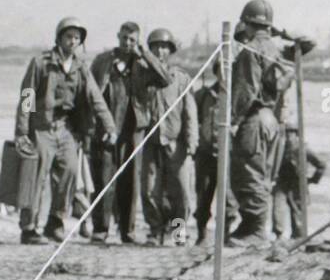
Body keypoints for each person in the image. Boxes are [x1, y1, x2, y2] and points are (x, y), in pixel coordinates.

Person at [15, 16, 115, 244]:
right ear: (59, 38)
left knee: (68, 174)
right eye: (69, 36)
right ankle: (29, 228)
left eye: (77, 38)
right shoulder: (41, 63)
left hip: (67, 129)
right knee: (36, 178)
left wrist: (110, 126)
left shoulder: (81, 68)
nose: (72, 41)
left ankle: (55, 222)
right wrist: (22, 132)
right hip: (41, 128)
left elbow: (95, 98)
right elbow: (27, 97)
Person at [228, 0, 302, 243]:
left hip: (254, 118)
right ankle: (250, 226)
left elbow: (245, 90)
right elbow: (308, 44)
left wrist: (234, 120)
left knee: (248, 173)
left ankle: (256, 230)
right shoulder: (277, 49)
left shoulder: (251, 49)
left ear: (246, 22)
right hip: (270, 118)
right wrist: (282, 32)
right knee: (259, 173)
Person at [88, 22, 170, 244]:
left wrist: (144, 53)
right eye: (124, 38)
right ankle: (100, 229)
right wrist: (92, 126)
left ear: (138, 41)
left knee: (130, 182)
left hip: (133, 130)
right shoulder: (103, 61)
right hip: (106, 129)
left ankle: (127, 231)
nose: (127, 43)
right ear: (118, 36)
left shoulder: (143, 64)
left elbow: (165, 79)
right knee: (104, 180)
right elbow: (90, 92)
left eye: (132, 40)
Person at [138, 28, 198, 245]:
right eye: (155, 47)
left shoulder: (181, 78)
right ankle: (155, 230)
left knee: (180, 190)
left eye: (164, 47)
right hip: (151, 142)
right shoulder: (143, 76)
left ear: (170, 50)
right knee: (150, 189)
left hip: (176, 142)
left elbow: (190, 111)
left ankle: (178, 231)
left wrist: (192, 141)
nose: (160, 51)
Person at [193, 58, 235, 246]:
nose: (224, 75)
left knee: (228, 198)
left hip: (228, 155)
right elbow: (193, 121)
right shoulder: (203, 94)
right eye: (221, 70)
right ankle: (201, 235)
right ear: (216, 72)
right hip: (205, 154)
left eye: (228, 70)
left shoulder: (235, 97)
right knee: (203, 196)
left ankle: (225, 236)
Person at [273, 126, 325, 239]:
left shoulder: (303, 149)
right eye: (285, 134)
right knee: (278, 208)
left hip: (297, 183)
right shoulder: (280, 148)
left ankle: (298, 237)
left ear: (296, 135)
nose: (287, 137)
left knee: (297, 211)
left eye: (290, 134)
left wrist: (313, 180)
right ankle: (278, 235)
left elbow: (321, 165)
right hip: (282, 182)